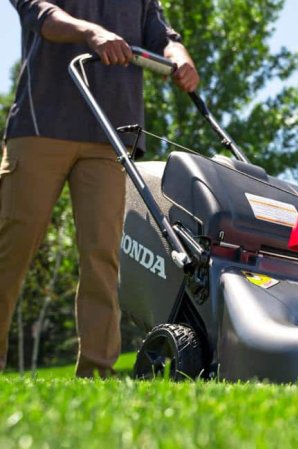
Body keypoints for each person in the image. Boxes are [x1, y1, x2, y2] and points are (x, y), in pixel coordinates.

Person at [0, 0, 199, 377]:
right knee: (12, 246)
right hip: (42, 125)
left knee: (102, 256)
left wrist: (180, 56)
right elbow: (40, 15)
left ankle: (96, 372)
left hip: (111, 131)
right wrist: (91, 32)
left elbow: (162, 36)